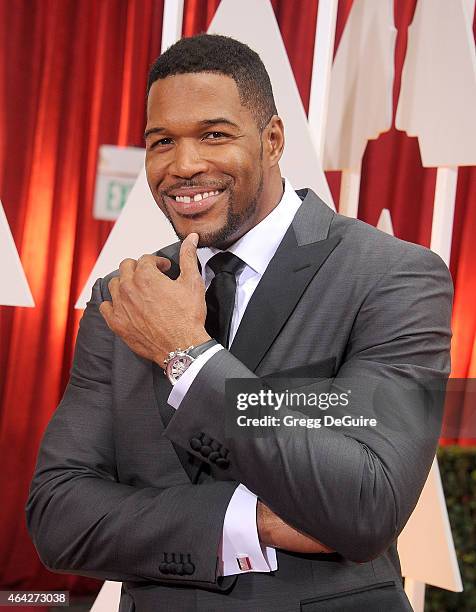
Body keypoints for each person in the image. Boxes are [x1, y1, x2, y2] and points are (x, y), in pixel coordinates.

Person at [26, 34, 453, 611]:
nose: (184, 165)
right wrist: (252, 523)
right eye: (161, 142)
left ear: (272, 140)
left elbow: (366, 506)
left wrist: (188, 355)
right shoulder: (125, 298)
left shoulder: (391, 277)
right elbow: (58, 515)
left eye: (213, 135)